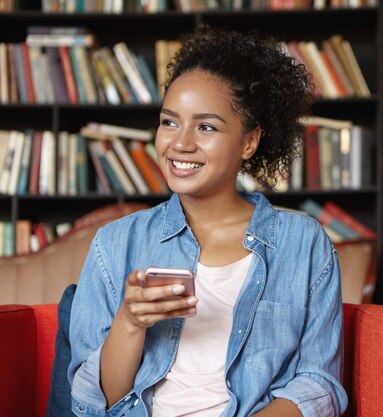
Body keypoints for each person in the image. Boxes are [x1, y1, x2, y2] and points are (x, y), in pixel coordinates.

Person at [68, 25, 347, 417]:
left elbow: (319, 385)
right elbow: (96, 404)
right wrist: (130, 323)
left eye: (206, 127)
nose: (180, 143)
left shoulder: (302, 243)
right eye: (169, 122)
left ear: (249, 142)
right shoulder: (115, 244)